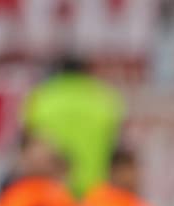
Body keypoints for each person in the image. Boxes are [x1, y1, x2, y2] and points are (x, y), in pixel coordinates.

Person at [22, 57, 125, 197]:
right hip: (93, 189)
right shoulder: (104, 100)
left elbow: (29, 141)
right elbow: (115, 143)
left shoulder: (41, 98)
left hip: (51, 187)